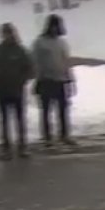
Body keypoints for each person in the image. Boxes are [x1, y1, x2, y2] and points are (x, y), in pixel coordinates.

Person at [0, 22, 35, 160]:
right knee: (4, 120)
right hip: (2, 91)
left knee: (20, 119)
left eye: (9, 33)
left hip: (17, 90)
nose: (7, 36)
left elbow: (29, 68)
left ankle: (22, 146)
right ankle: (6, 149)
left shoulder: (20, 51)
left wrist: (22, 80)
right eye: (4, 33)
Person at [31, 13, 76, 148]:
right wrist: (37, 77)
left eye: (57, 26)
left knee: (63, 109)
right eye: (53, 26)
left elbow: (66, 61)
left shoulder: (62, 43)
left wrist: (71, 79)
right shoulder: (40, 42)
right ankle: (47, 136)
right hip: (46, 80)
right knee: (46, 110)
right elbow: (35, 61)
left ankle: (64, 134)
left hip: (61, 80)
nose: (55, 29)